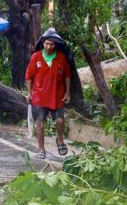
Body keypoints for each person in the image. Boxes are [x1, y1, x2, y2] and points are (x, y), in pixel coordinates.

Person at [25, 30, 71, 159]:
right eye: (46, 44)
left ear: (55, 45)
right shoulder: (36, 57)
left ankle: (60, 139)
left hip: (57, 96)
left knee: (60, 120)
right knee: (39, 123)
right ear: (43, 44)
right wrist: (29, 93)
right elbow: (29, 76)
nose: (49, 47)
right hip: (40, 96)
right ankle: (41, 149)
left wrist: (67, 92)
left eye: (51, 44)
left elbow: (67, 75)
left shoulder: (61, 57)